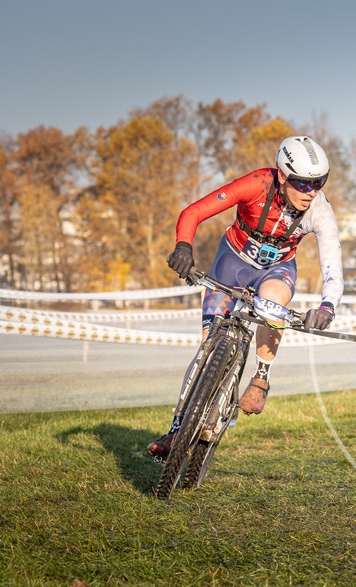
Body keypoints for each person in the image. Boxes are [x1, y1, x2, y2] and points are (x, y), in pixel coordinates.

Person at [147, 136, 344, 460]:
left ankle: (261, 377)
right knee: (207, 351)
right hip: (232, 261)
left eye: (319, 183)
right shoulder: (256, 185)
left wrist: (327, 305)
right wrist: (184, 245)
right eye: (303, 184)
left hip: (276, 270)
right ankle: (175, 431)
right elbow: (194, 212)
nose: (311, 192)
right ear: (282, 176)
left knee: (273, 302)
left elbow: (332, 262)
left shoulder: (319, 210)